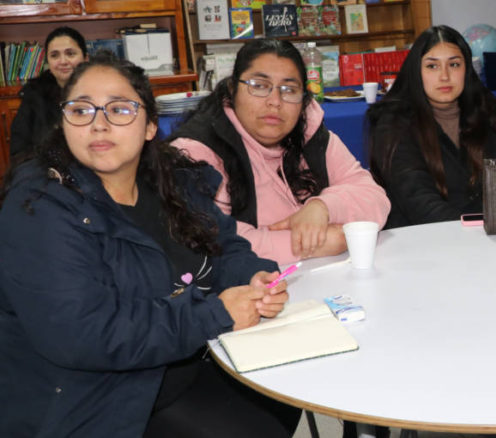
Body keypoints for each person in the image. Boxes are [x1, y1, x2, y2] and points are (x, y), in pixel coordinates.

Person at [0, 53, 300, 437]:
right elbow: (83, 333)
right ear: (64, 122)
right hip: (96, 397)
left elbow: (224, 244)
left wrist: (252, 275)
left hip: (189, 358)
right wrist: (214, 315)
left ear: (150, 126)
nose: (99, 124)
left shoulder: (171, 180)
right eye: (81, 110)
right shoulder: (40, 207)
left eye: (119, 109)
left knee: (289, 391)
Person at [171, 39, 390, 266]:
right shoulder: (195, 151)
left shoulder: (310, 134)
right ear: (232, 89)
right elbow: (205, 238)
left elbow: (374, 197)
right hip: (246, 285)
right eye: (259, 86)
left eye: (289, 90)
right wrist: (316, 243)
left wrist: (323, 207)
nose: (274, 102)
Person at [366, 25, 496, 229]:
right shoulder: (393, 120)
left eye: (454, 64)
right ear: (416, 71)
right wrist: (478, 231)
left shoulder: (483, 106)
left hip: (487, 233)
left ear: (467, 69)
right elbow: (421, 205)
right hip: (423, 237)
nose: (445, 76)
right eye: (432, 66)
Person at [8, 26, 88, 159]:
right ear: (48, 62)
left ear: (85, 58)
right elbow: (19, 150)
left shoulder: (101, 93)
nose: (63, 61)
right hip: (44, 168)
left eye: (70, 54)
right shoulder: (34, 95)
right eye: (54, 55)